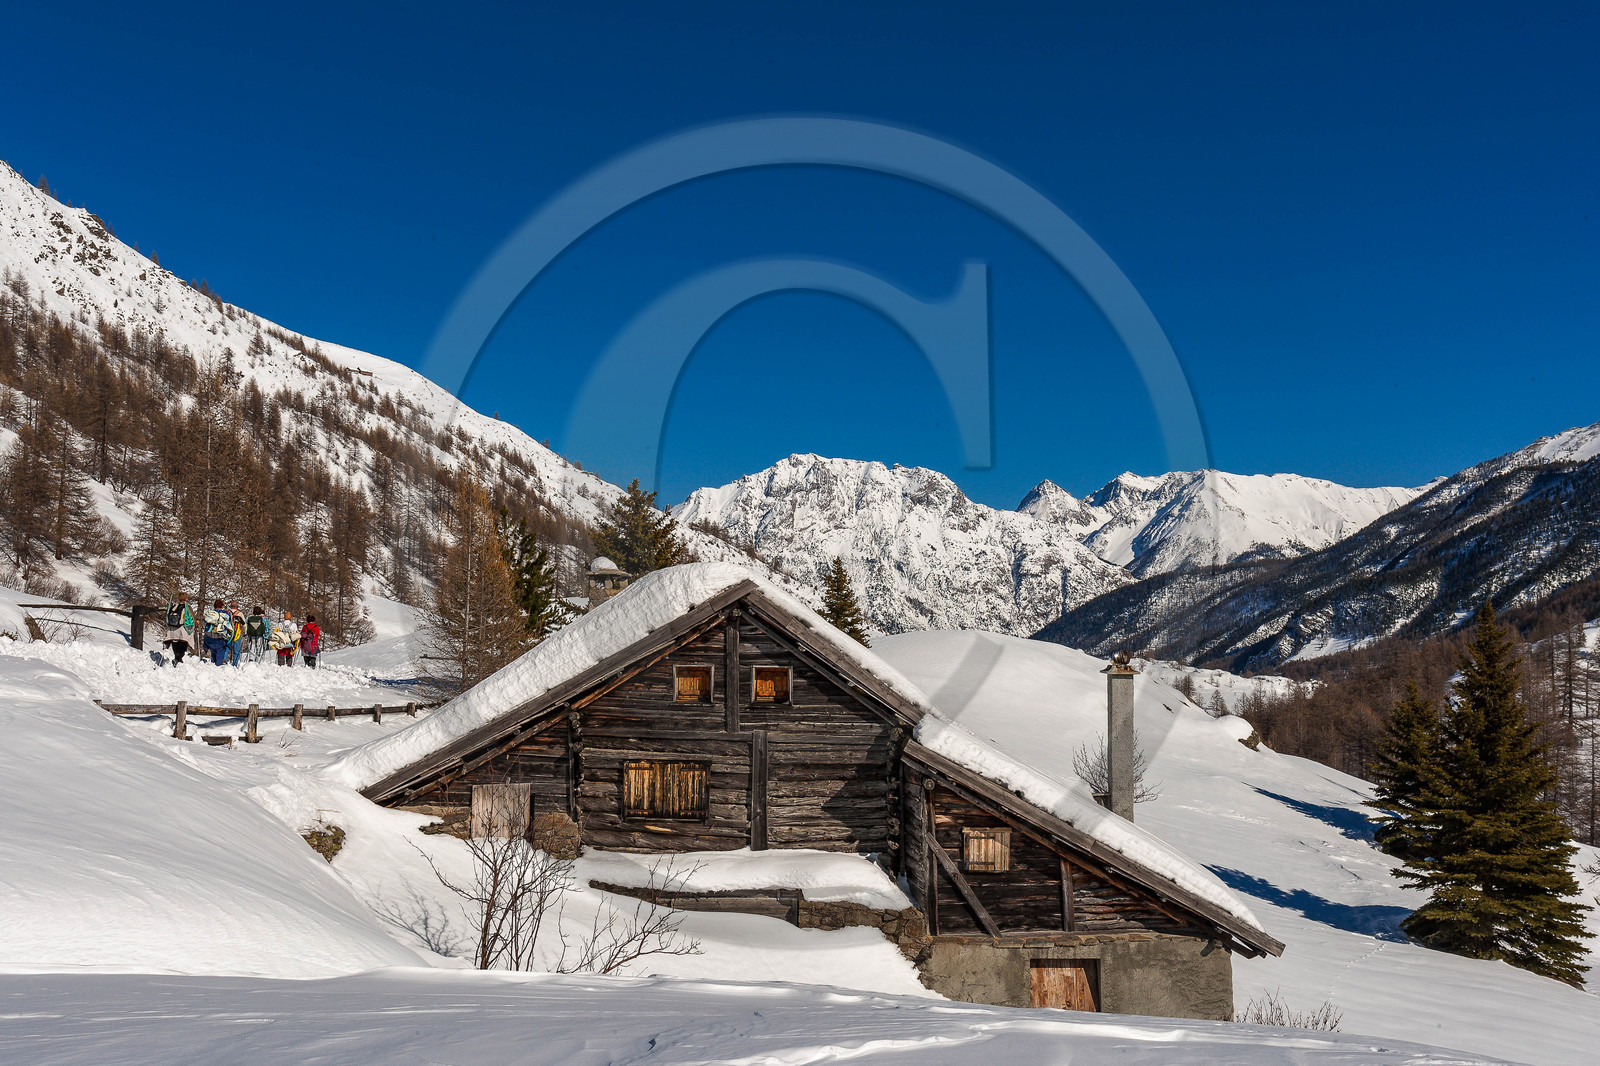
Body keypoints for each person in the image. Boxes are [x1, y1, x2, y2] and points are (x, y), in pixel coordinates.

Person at [162, 594, 194, 666]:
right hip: (182, 629)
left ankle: (177, 658)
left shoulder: (173, 607)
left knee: (175, 642)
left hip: (173, 629)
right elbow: (192, 617)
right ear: (186, 599)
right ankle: (178, 659)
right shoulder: (187, 607)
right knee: (183, 644)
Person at [201, 598, 231, 665]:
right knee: (220, 654)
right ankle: (218, 667)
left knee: (213, 652)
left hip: (209, 637)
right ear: (222, 606)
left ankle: (213, 665)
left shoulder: (210, 614)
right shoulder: (225, 614)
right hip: (220, 638)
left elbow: (205, 622)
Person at [227, 600, 246, 666]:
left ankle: (224, 661)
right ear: (237, 607)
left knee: (227, 648)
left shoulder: (227, 613)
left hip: (228, 633)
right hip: (237, 634)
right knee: (237, 650)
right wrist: (245, 633)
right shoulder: (240, 614)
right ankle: (234, 664)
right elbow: (244, 625)